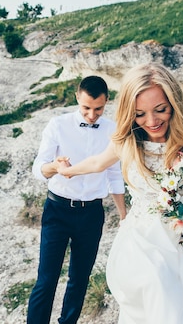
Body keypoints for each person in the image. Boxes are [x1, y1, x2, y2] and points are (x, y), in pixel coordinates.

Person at [57, 63, 183, 324]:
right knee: (157, 288)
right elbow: (97, 163)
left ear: (174, 102)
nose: (151, 121)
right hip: (143, 239)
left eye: (160, 110)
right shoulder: (126, 141)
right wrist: (67, 171)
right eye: (139, 114)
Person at [27, 75, 127, 324]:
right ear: (77, 99)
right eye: (86, 108)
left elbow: (115, 175)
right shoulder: (58, 125)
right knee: (47, 279)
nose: (92, 115)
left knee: (80, 278)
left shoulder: (113, 130)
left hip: (92, 213)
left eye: (98, 109)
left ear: (106, 103)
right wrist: (55, 166)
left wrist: (124, 214)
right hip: (57, 209)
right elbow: (38, 168)